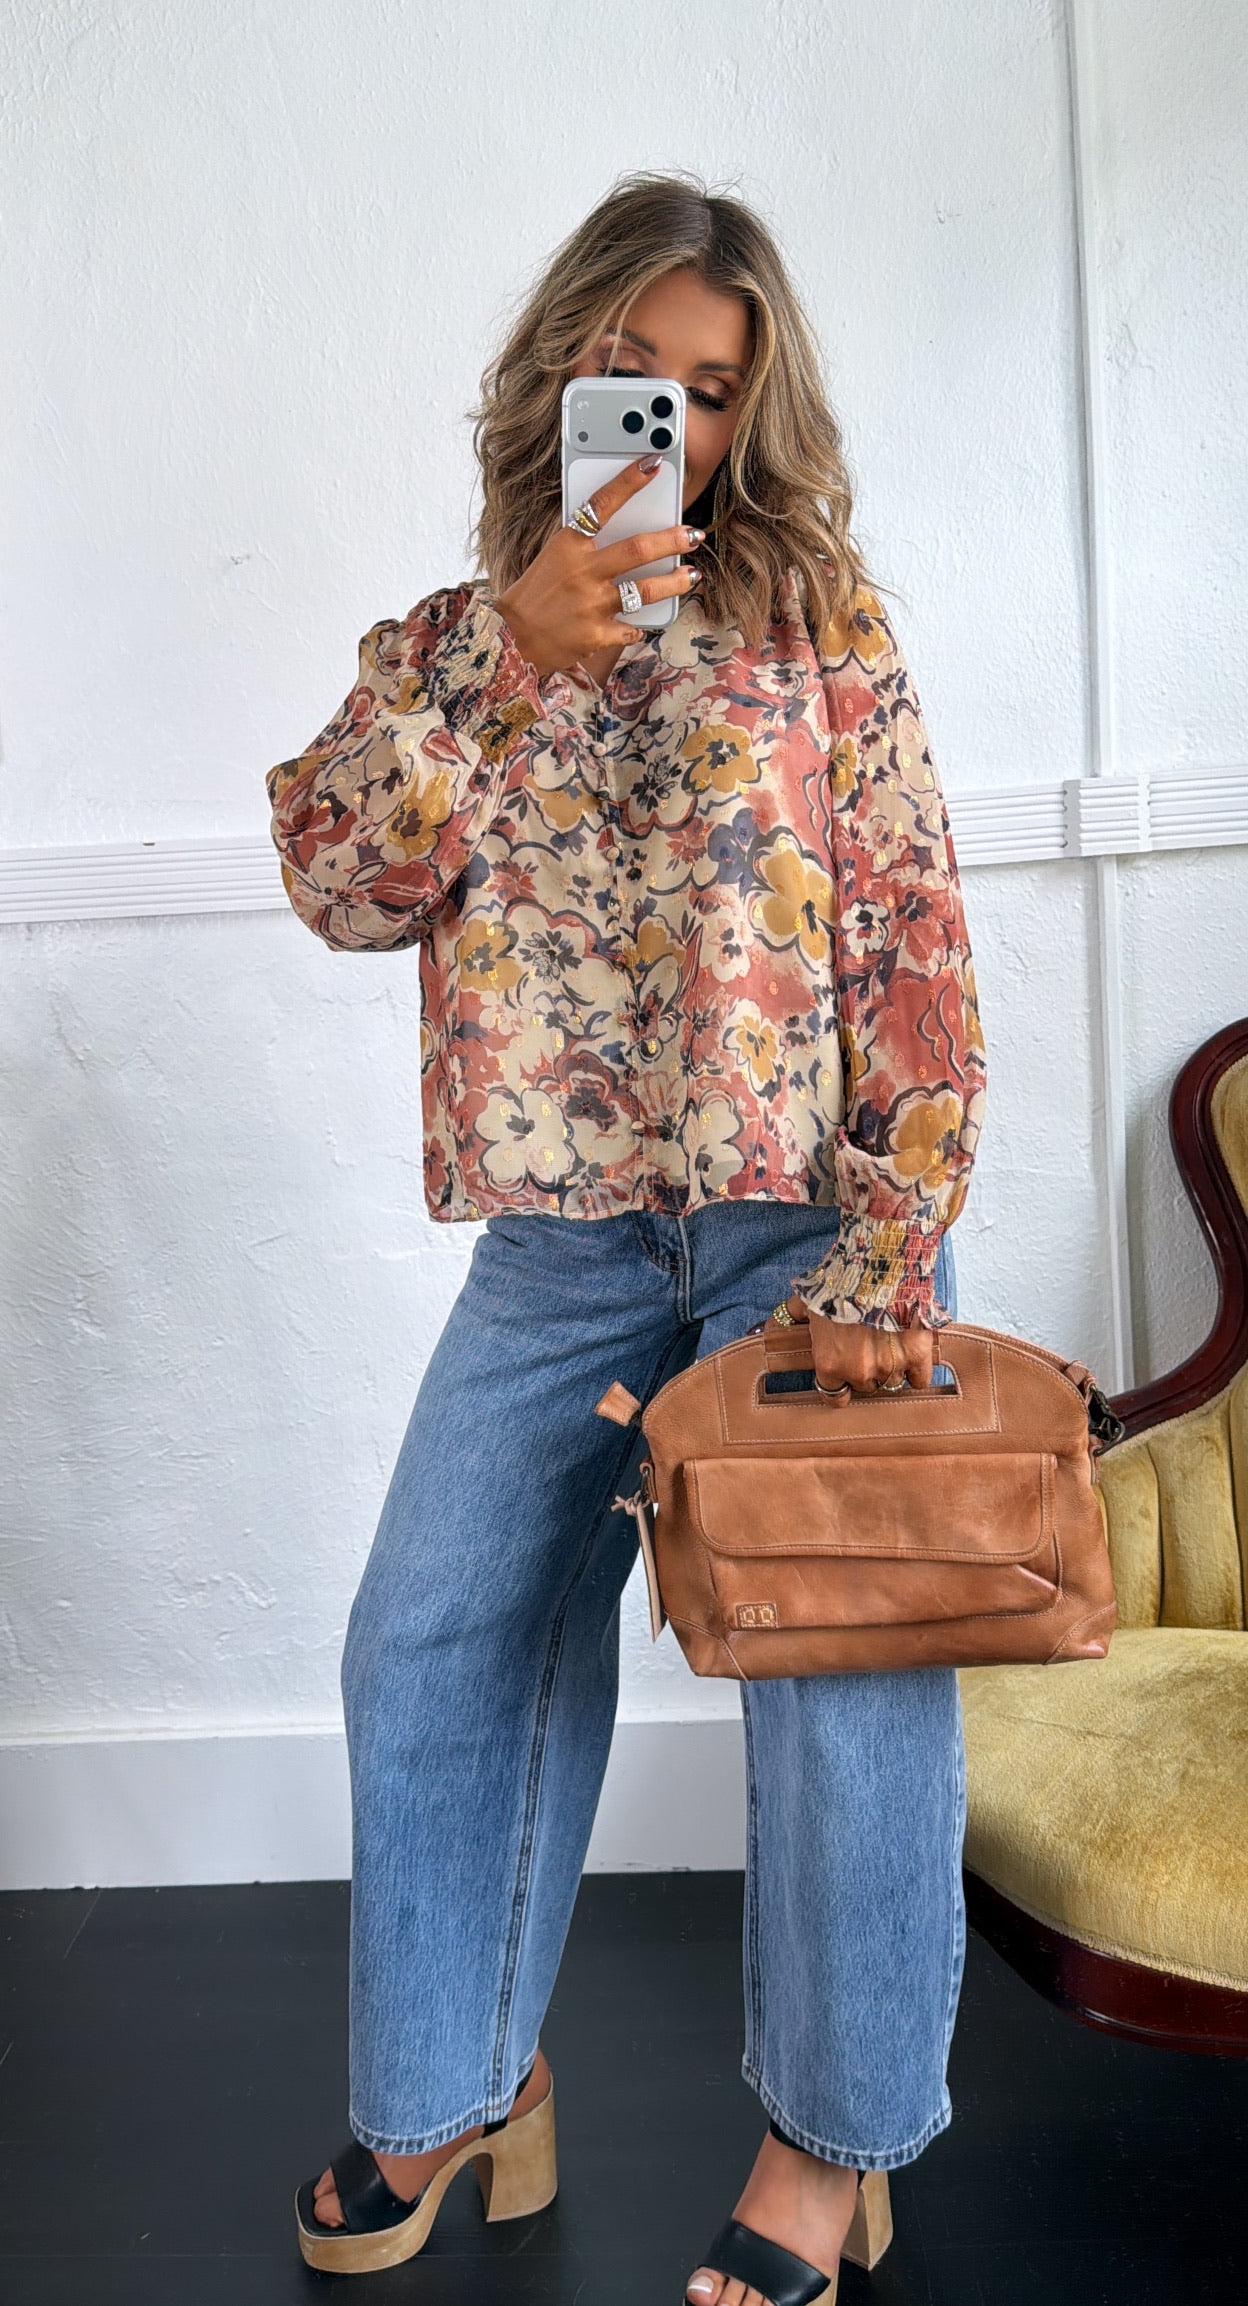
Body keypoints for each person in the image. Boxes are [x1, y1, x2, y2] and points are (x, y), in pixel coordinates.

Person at [266, 169, 987, 2306]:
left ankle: (830, 2150)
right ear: (563, 369)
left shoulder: (818, 616)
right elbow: (336, 880)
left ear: (752, 411)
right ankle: (460, 2081)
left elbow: (912, 931)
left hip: (802, 1238)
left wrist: (887, 1248)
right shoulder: (449, 642)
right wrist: (511, 651)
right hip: (561, 1248)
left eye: (712, 385)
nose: (671, 412)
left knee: (845, 1681)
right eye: (631, 368)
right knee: (432, 1638)